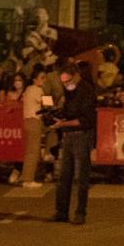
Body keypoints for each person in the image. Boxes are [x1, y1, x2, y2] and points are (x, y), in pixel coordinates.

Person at [50, 62, 96, 224]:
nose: (66, 85)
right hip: (68, 136)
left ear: (76, 76)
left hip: (81, 137)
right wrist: (58, 114)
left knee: (81, 177)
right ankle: (61, 211)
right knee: (64, 177)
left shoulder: (87, 91)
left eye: (68, 81)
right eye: (63, 82)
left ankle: (80, 212)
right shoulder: (69, 91)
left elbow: (87, 120)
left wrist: (65, 124)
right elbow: (68, 112)